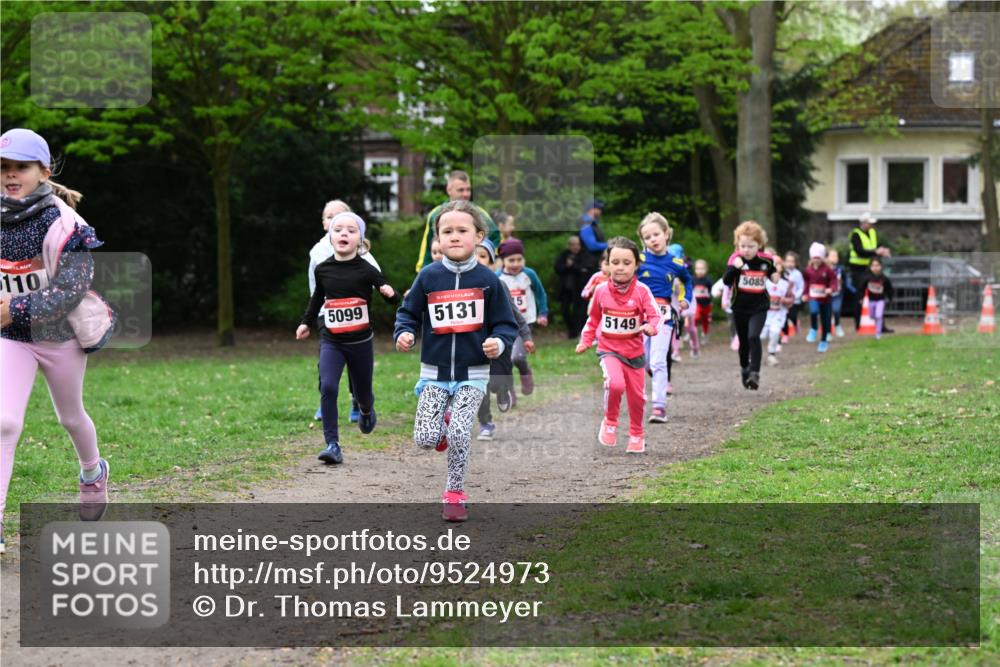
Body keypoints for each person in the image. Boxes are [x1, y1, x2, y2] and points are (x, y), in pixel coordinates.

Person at [1, 128, 118, 551]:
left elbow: (72, 285)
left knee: (71, 418)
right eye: (3, 168)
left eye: (21, 167)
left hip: (59, 336)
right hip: (11, 338)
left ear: (44, 171)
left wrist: (14, 307)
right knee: (4, 423)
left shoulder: (64, 221)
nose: (11, 175)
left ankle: (93, 472)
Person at [395, 200, 517, 522]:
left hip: (473, 371)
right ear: (437, 239)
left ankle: (454, 492)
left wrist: (499, 342)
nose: (453, 237)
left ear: (478, 237)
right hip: (433, 372)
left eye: (461, 230)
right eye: (446, 231)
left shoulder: (490, 281)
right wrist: (404, 333)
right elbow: (407, 313)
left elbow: (506, 323)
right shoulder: (428, 276)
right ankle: (443, 427)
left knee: (463, 431)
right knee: (425, 439)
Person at [297, 212, 398, 465]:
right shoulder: (323, 269)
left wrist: (389, 292)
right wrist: (305, 323)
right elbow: (317, 299)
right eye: (338, 229)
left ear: (360, 240)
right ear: (330, 237)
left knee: (363, 393)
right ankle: (332, 444)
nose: (344, 234)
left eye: (351, 231)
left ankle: (365, 409)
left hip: (361, 343)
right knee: (328, 386)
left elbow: (392, 295)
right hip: (332, 341)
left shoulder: (367, 269)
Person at [576, 237, 660, 453]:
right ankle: (610, 422)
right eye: (615, 262)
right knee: (615, 384)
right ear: (607, 264)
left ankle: (636, 434)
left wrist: (651, 327)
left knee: (637, 398)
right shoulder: (601, 291)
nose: (620, 268)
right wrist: (585, 340)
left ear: (636, 265)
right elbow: (593, 319)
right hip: (609, 349)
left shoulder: (642, 291)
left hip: (635, 352)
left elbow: (655, 315)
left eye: (626, 262)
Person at [308, 199, 383, 423]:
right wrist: (315, 314)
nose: (336, 222)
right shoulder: (317, 252)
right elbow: (314, 286)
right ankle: (326, 400)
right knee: (326, 361)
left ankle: (357, 400)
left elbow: (376, 278)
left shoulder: (361, 252)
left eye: (341, 217)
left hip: (356, 317)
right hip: (327, 314)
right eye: (330, 218)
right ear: (324, 224)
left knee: (355, 365)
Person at [636, 213, 692, 423]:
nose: (653, 240)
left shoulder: (675, 262)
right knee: (642, 361)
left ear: (666, 234)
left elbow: (688, 280)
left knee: (659, 361)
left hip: (664, 317)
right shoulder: (638, 260)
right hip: (639, 318)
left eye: (656, 234)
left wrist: (685, 298)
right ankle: (650, 387)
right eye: (647, 237)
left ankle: (659, 406)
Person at [475, 239, 533, 441]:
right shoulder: (458, 287)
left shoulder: (498, 284)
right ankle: (485, 423)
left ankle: (503, 390)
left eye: (482, 256)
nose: (476, 260)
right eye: (472, 255)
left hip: (499, 341)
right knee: (479, 384)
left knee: (498, 380)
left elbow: (515, 315)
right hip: (474, 344)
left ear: (493, 263)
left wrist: (525, 336)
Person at [722, 221, 776, 390]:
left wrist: (775, 277)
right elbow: (726, 281)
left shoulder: (765, 260)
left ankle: (755, 374)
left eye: (750, 246)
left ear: (759, 245)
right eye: (742, 246)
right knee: (744, 342)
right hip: (739, 307)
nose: (746, 250)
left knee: (754, 337)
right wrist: (735, 268)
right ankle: (745, 367)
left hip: (759, 307)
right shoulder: (735, 259)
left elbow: (773, 272)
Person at [415, 170, 499, 273]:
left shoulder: (481, 214)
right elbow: (427, 248)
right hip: (444, 272)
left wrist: (490, 262)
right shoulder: (436, 214)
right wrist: (422, 274)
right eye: (461, 190)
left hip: (474, 271)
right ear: (449, 190)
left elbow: (497, 240)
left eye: (468, 190)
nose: (466, 194)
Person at [496, 238, 548, 396]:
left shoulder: (529, 274)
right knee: (506, 361)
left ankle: (526, 373)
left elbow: (540, 293)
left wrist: (543, 312)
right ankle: (509, 393)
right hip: (504, 325)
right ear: (502, 260)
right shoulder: (497, 278)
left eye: (519, 259)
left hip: (525, 323)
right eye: (511, 260)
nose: (516, 264)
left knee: (517, 357)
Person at [848, 212, 891, 331]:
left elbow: (876, 246)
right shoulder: (855, 234)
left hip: (871, 268)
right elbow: (859, 251)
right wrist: (876, 252)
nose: (871, 225)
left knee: (877, 294)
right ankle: (859, 324)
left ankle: (880, 325)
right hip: (857, 269)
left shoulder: (872, 232)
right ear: (864, 223)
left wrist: (882, 250)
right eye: (869, 223)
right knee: (860, 295)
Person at [554, 235, 595, 339]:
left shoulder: (584, 255)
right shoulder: (564, 255)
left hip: (580, 288)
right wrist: (567, 266)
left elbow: (586, 269)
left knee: (580, 311)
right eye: (573, 245)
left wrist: (573, 266)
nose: (575, 247)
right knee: (565, 310)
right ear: (569, 246)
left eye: (577, 245)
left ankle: (580, 332)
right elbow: (558, 268)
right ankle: (572, 330)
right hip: (566, 288)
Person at [802, 242, 837, 353]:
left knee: (826, 321)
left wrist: (831, 288)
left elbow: (834, 281)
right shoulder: (808, 270)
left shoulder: (827, 270)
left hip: (826, 300)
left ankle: (823, 341)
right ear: (811, 258)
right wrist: (805, 294)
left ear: (822, 258)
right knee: (813, 311)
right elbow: (806, 283)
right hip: (814, 297)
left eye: (818, 258)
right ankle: (813, 328)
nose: (816, 260)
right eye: (814, 258)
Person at [764, 256, 795, 366]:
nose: (775, 267)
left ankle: (771, 355)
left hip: (778, 314)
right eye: (772, 265)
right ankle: (752, 355)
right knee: (759, 336)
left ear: (782, 266)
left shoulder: (786, 283)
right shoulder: (763, 281)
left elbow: (791, 298)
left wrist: (784, 300)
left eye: (777, 264)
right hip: (763, 314)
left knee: (775, 333)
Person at [859, 257, 894, 339]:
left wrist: (890, 298)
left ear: (881, 266)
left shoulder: (884, 278)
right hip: (871, 301)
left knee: (879, 315)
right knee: (871, 316)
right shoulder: (867, 278)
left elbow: (889, 289)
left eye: (877, 265)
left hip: (880, 300)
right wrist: (861, 298)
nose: (875, 268)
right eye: (873, 266)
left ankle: (878, 333)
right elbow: (861, 288)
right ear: (870, 267)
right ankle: (876, 323)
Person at [781, 251, 804, 342]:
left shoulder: (798, 274)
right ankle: (785, 335)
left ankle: (795, 323)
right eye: (788, 261)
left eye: (792, 261)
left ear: (795, 263)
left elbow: (801, 287)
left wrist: (796, 296)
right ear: (784, 262)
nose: (790, 263)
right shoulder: (782, 273)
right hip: (784, 301)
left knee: (792, 316)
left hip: (794, 301)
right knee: (784, 317)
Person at [827, 248, 850, 338]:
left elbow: (846, 280)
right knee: (828, 313)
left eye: (836, 256)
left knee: (836, 310)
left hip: (838, 294)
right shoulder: (824, 269)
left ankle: (837, 325)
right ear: (827, 257)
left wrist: (852, 289)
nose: (835, 258)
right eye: (832, 256)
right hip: (826, 295)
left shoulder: (841, 269)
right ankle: (828, 332)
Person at [578, 199, 607, 265]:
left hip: (592, 263)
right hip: (588, 265)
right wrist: (608, 244)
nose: (601, 211)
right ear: (592, 209)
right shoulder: (586, 223)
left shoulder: (592, 223)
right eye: (599, 208)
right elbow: (592, 246)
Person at [692, 259, 714, 340]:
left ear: (706, 269)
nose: (700, 271)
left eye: (702, 269)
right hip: (696, 303)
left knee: (705, 320)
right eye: (698, 269)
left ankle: (705, 333)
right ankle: (692, 331)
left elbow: (712, 292)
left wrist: (711, 301)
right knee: (696, 317)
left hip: (706, 304)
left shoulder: (708, 280)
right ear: (695, 270)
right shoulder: (693, 279)